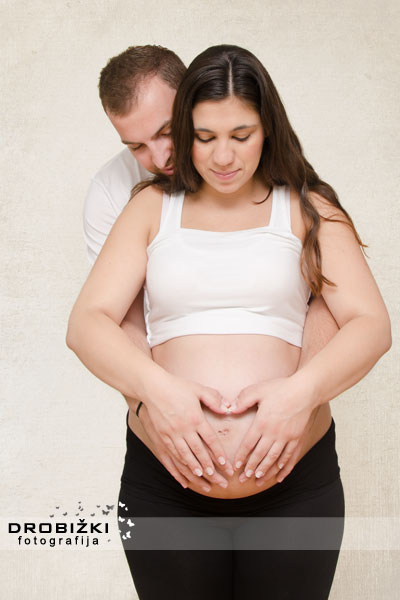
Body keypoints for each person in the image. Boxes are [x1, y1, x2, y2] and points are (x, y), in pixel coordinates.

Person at [68, 44, 391, 599]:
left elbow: (371, 323)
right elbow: (89, 323)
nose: (222, 156)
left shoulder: (309, 208)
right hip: (164, 488)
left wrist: (301, 394)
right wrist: (157, 395)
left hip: (296, 490)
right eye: (204, 137)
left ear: (268, 130)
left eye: (241, 135)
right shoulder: (146, 207)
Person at [84, 44, 340, 493]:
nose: (159, 157)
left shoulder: (265, 172)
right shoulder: (116, 194)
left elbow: (329, 301)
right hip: (167, 475)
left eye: (167, 132)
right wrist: (152, 410)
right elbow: (116, 321)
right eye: (136, 146)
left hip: (294, 472)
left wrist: (300, 401)